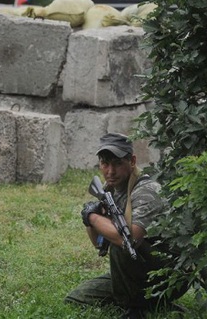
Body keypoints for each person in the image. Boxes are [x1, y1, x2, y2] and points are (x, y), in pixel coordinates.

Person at [65, 133, 187, 318]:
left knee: (120, 245)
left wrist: (93, 218)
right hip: (138, 271)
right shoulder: (108, 190)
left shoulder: (147, 191)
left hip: (169, 276)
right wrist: (92, 219)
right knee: (77, 298)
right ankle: (149, 301)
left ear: (132, 161)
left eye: (117, 163)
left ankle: (135, 308)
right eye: (105, 164)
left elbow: (127, 240)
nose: (110, 171)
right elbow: (99, 244)